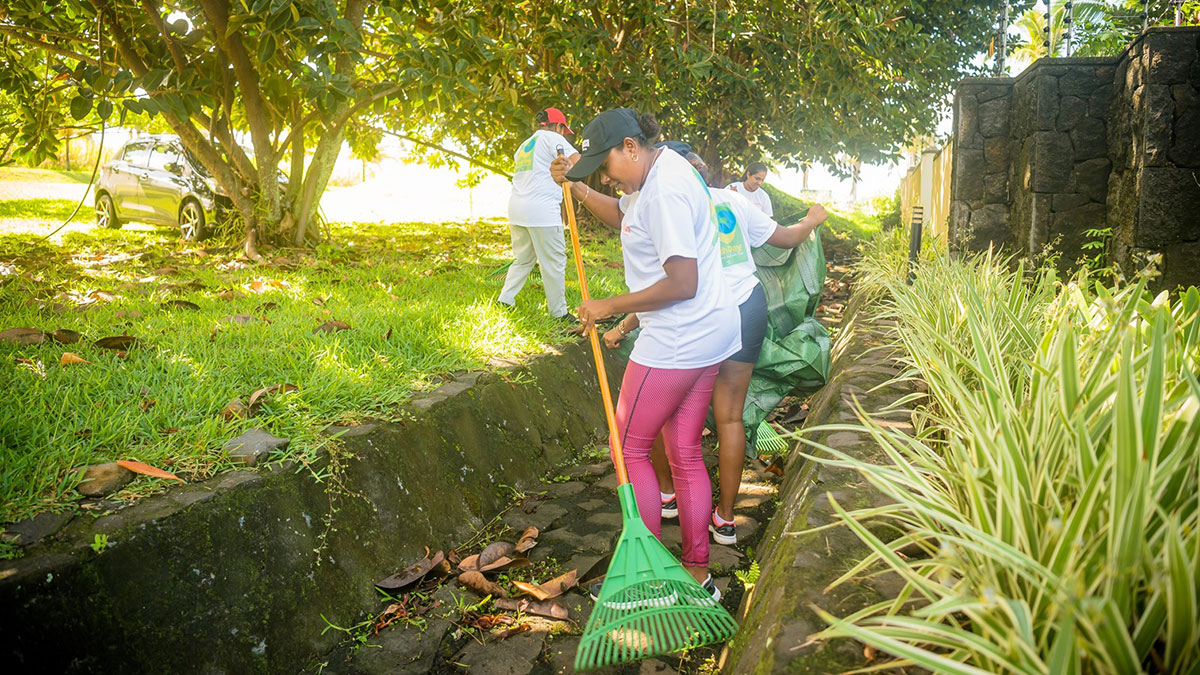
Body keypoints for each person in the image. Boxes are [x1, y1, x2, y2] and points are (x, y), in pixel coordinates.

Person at [553, 108, 739, 601]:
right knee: (682, 451)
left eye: (607, 163)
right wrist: (579, 188)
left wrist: (609, 306)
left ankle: (650, 578)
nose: (606, 175)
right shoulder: (659, 175)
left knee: (629, 445)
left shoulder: (666, 191)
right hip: (709, 334)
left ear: (630, 146)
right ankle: (698, 576)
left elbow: (683, 282)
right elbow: (622, 214)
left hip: (679, 337)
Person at [607, 151, 828, 546]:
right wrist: (811, 219)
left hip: (696, 315)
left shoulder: (665, 201)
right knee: (729, 418)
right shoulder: (732, 200)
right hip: (745, 306)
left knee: (647, 424)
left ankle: (665, 493)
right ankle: (724, 518)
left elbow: (673, 285)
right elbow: (788, 237)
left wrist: (621, 321)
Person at [498, 107, 581, 320]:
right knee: (553, 262)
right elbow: (576, 160)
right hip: (542, 211)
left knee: (523, 259)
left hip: (517, 209)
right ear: (560, 127)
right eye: (564, 130)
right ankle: (559, 313)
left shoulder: (525, 145)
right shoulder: (553, 138)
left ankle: (505, 300)